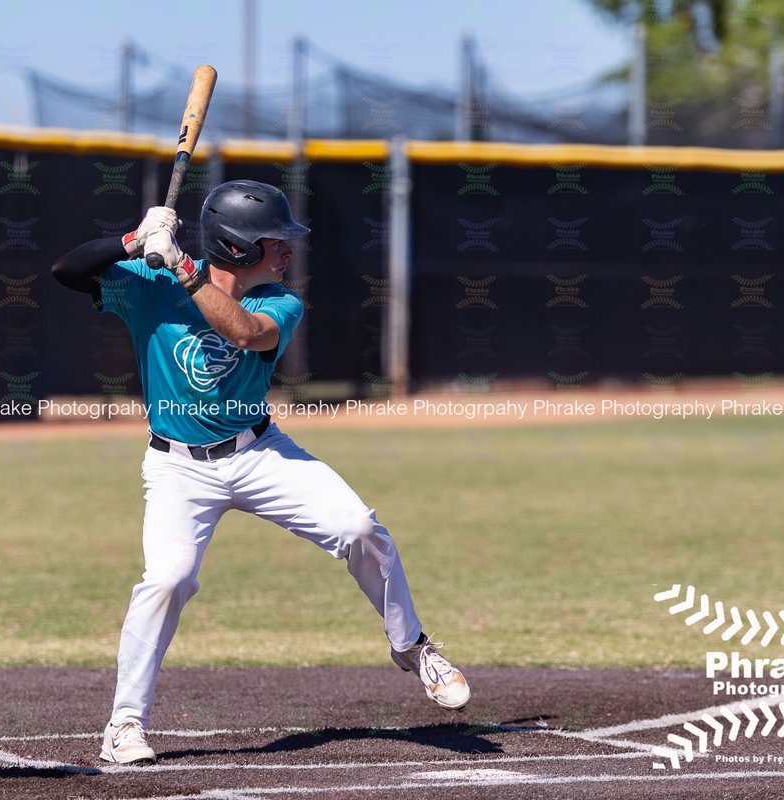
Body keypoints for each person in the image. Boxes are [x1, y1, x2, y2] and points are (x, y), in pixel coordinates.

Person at [52, 180, 470, 765]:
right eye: (277, 241)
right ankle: (124, 725)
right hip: (178, 469)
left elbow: (244, 334)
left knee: (358, 528)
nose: (289, 251)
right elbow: (66, 271)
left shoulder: (279, 302)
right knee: (167, 580)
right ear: (240, 248)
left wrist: (183, 269)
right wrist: (133, 239)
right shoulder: (150, 281)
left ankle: (412, 645)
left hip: (258, 452)